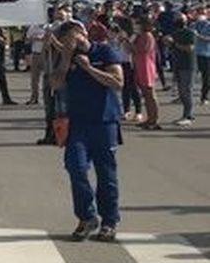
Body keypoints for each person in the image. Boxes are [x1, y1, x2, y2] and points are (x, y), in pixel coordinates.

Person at [51, 20, 124, 242]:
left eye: (74, 37)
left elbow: (117, 82)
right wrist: (65, 58)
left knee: (106, 174)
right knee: (76, 167)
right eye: (66, 41)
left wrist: (89, 68)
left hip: (104, 122)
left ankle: (109, 221)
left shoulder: (104, 51)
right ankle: (86, 216)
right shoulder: (66, 57)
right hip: (78, 123)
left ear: (84, 34)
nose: (72, 43)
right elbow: (55, 85)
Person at [167, 15, 196, 126]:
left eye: (179, 19)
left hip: (188, 66)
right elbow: (172, 47)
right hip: (178, 65)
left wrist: (174, 43)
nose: (176, 21)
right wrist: (168, 42)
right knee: (181, 92)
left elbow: (189, 48)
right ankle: (185, 115)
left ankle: (188, 116)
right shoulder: (175, 33)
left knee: (186, 91)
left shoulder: (190, 33)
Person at [132, 18, 160, 130]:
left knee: (150, 94)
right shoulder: (141, 35)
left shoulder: (147, 36)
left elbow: (142, 50)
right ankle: (150, 118)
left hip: (146, 66)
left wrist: (130, 43)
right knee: (146, 95)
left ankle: (154, 119)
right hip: (140, 65)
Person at [26, 19, 51, 105]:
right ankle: (34, 97)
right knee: (34, 78)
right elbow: (28, 39)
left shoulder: (49, 27)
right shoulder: (33, 27)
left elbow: (49, 39)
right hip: (35, 53)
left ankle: (48, 98)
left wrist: (42, 38)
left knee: (48, 77)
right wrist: (36, 38)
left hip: (46, 54)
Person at [192, 9, 210, 107]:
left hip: (207, 54)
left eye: (202, 13)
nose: (200, 15)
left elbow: (208, 39)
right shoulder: (194, 25)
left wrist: (198, 36)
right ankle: (186, 97)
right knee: (191, 77)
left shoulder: (209, 25)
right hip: (195, 54)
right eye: (199, 13)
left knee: (206, 77)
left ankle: (204, 97)